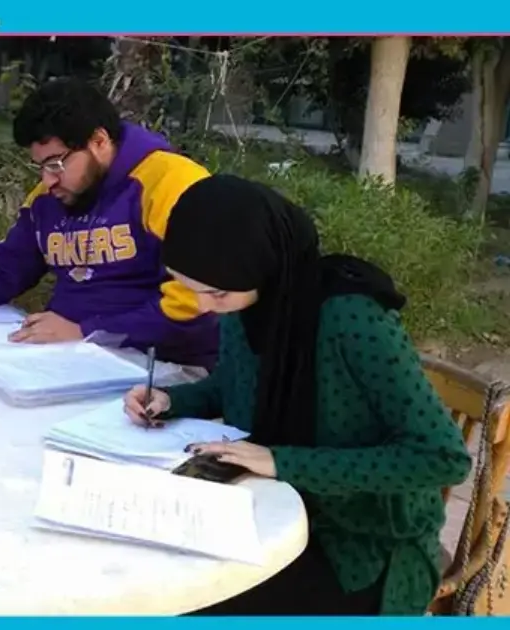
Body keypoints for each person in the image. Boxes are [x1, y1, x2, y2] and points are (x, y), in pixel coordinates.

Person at [122, 174, 471, 615]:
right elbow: (235, 383)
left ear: (263, 265)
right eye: (188, 288)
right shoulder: (251, 304)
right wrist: (173, 401)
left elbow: (442, 457)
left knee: (188, 605)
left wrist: (281, 461)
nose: (203, 306)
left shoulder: (352, 317)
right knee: (148, 575)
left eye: (215, 293)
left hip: (363, 549)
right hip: (275, 512)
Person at [0, 78, 219, 369]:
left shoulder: (172, 184)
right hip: (68, 358)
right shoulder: (47, 200)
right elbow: (3, 276)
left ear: (99, 141)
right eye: (41, 166)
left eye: (56, 164)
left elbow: (196, 302)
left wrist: (87, 330)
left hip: (163, 367)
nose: (48, 180)